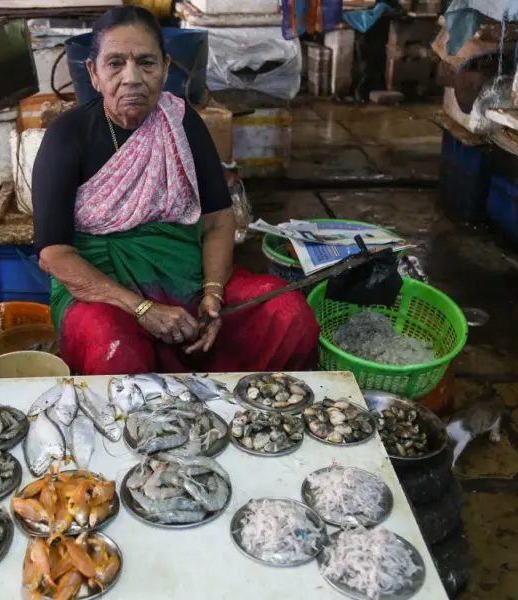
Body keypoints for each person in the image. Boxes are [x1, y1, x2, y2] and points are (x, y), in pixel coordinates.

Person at [32, 6, 321, 375]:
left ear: (166, 68)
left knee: (289, 315)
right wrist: (142, 309)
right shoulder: (67, 135)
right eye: (115, 63)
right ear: (94, 73)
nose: (132, 78)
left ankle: (243, 409)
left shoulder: (181, 121)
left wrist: (213, 295)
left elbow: (218, 220)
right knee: (113, 348)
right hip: (101, 290)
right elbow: (54, 255)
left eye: (147, 63)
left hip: (186, 275)